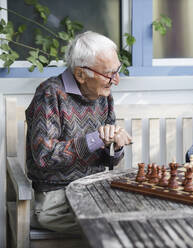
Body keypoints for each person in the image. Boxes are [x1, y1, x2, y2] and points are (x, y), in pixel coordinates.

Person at [26, 31, 132, 233]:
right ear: (80, 74)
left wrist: (115, 146)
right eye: (109, 73)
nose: (116, 80)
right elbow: (44, 156)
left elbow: (108, 160)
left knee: (134, 218)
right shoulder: (49, 93)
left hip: (96, 192)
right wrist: (95, 138)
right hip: (57, 201)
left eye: (117, 70)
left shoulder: (103, 94)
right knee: (113, 228)